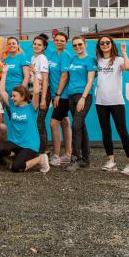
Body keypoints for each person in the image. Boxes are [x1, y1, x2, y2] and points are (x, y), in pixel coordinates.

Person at [94, 36, 129, 175]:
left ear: (111, 44)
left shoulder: (118, 60)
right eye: (102, 43)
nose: (105, 45)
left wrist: (124, 52)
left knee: (122, 132)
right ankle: (111, 161)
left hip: (116, 101)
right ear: (99, 46)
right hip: (101, 102)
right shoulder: (97, 61)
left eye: (107, 42)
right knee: (105, 132)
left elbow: (128, 67)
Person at [0, 85, 50, 173]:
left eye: (14, 96)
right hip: (15, 142)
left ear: (22, 97)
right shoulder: (12, 105)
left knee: (16, 168)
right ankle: (17, 156)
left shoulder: (32, 107)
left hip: (29, 145)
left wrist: (35, 76)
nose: (12, 98)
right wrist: (4, 75)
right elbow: (1, 90)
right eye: (12, 96)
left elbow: (36, 92)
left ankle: (40, 159)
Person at [64, 37, 97, 172]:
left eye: (80, 44)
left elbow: (90, 81)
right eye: (75, 45)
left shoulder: (90, 60)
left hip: (83, 96)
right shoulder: (73, 59)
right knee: (81, 126)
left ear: (85, 44)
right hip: (71, 96)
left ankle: (76, 159)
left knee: (76, 126)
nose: (77, 47)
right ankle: (86, 160)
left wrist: (83, 97)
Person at [47, 31, 74, 166]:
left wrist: (58, 94)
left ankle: (56, 155)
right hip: (55, 94)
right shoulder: (52, 54)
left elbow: (64, 76)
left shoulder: (66, 55)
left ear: (66, 42)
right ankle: (68, 154)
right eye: (57, 40)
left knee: (53, 123)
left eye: (62, 41)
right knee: (64, 121)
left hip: (63, 95)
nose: (59, 42)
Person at [29, 34, 50, 154]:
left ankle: (43, 150)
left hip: (42, 93)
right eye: (35, 44)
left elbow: (45, 79)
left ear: (44, 47)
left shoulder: (42, 58)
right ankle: (37, 148)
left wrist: (43, 99)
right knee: (35, 121)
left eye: (39, 45)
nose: (36, 46)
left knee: (39, 122)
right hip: (34, 92)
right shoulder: (33, 58)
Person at [1, 37, 31, 113]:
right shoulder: (6, 60)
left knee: (20, 116)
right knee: (11, 116)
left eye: (13, 43)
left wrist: (21, 93)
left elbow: (27, 77)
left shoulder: (23, 57)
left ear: (18, 45)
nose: (11, 45)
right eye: (9, 44)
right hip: (7, 94)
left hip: (18, 95)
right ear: (7, 46)